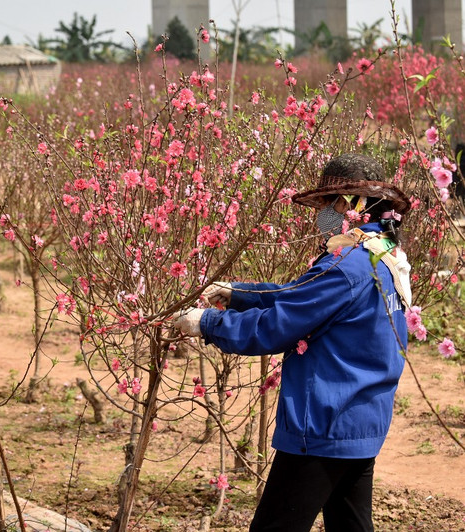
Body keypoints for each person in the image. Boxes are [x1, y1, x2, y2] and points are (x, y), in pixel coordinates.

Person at [175, 153, 412, 532]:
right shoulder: (381, 257)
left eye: (327, 205)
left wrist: (207, 322)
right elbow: (303, 297)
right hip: (359, 423)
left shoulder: (346, 265)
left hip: (322, 426)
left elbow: (277, 326)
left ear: (349, 205)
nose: (322, 216)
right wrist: (240, 294)